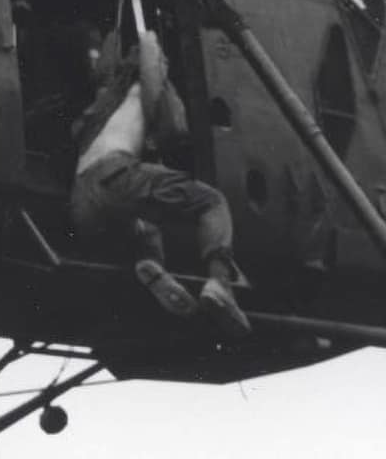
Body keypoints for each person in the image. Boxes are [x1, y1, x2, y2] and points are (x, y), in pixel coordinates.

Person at [69, 28, 252, 335]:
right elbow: (173, 129)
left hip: (81, 198)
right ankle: (220, 284)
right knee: (212, 201)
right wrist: (153, 45)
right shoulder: (144, 88)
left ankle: (149, 263)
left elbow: (88, 103)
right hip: (115, 173)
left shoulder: (105, 100)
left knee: (143, 222)